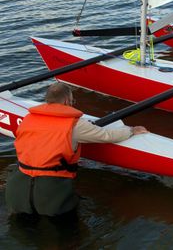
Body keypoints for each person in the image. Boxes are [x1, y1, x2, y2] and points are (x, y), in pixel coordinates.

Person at [5, 82, 148, 217]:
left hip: (17, 187)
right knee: (65, 237)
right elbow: (106, 135)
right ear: (67, 100)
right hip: (51, 193)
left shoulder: (28, 118)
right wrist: (131, 130)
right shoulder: (75, 125)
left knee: (22, 228)